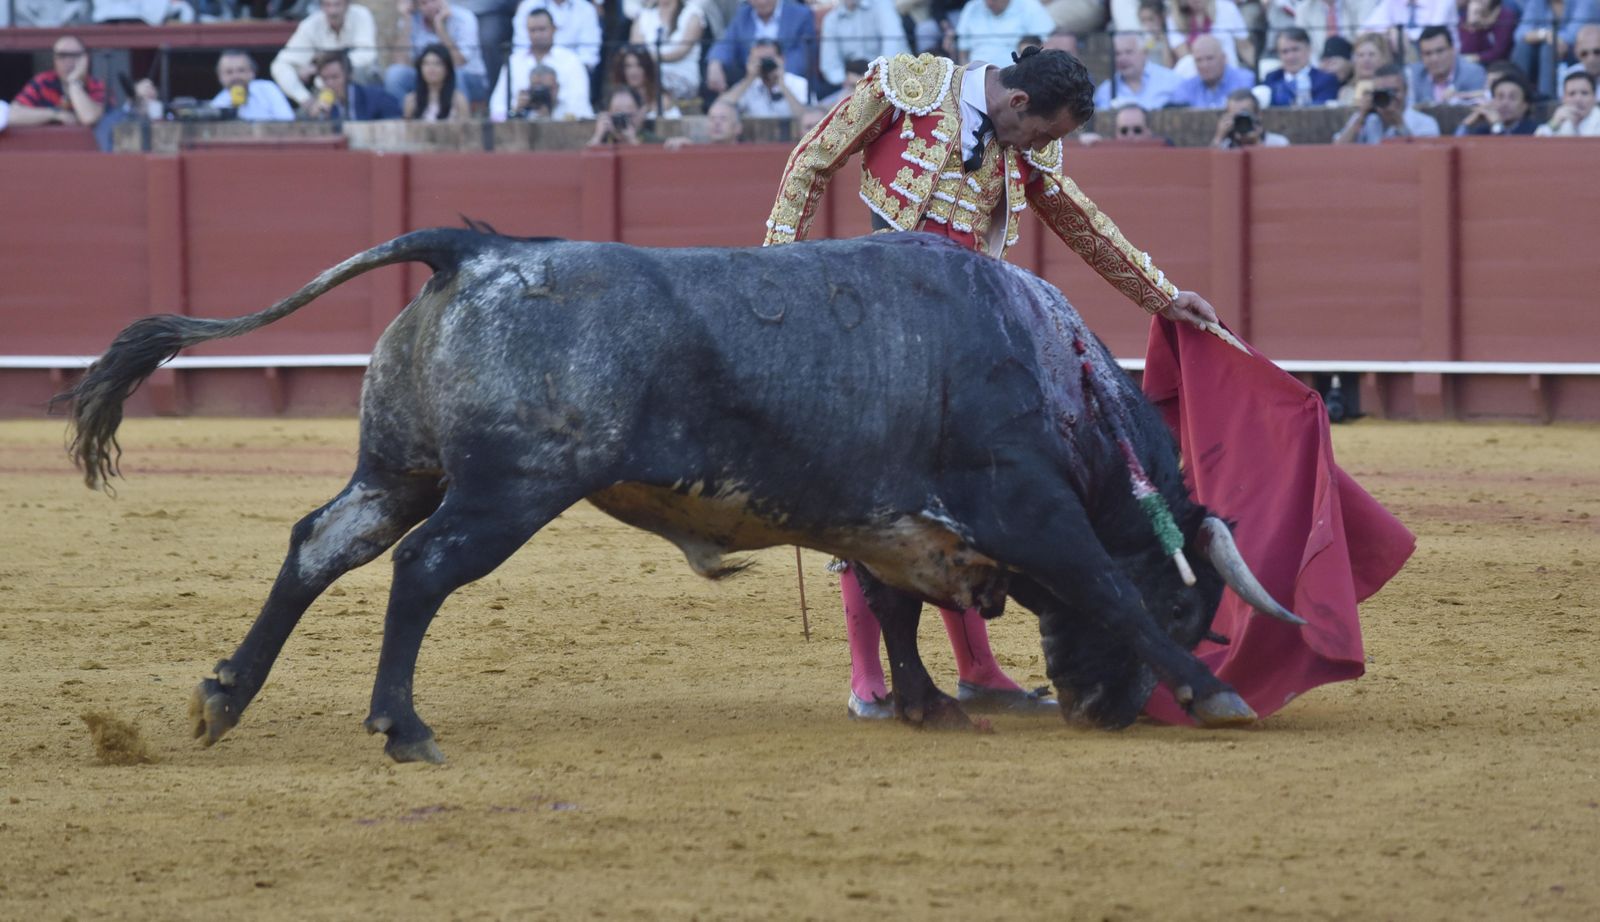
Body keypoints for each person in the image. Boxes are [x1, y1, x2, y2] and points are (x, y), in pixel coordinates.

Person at [762, 48, 1223, 718]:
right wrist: (779, 269)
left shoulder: (1027, 142)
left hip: (966, 340)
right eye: (1040, 133)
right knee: (870, 495)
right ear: (1016, 104)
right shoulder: (908, 86)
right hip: (881, 324)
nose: (1038, 147)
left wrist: (1161, 294)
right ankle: (870, 679)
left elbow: (1080, 221)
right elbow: (811, 160)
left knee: (971, 497)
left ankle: (980, 669)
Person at [270, 0, 380, 109]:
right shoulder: (311, 25)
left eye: (337, 4)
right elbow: (280, 65)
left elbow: (367, 55)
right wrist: (304, 98)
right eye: (327, 5)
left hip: (363, 88)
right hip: (324, 94)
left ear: (347, 5)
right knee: (306, 115)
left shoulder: (361, 15)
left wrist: (320, 66)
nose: (332, 11)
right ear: (321, 6)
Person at [490, 7, 593, 120]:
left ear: (554, 29)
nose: (537, 35)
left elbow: (580, 108)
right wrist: (516, 109)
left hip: (563, 129)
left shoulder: (571, 61)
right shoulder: (514, 62)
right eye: (533, 30)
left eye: (542, 29)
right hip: (521, 130)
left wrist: (553, 105)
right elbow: (496, 109)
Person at [705, 0, 819, 97]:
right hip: (750, 80)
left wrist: (774, 72)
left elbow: (805, 53)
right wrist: (715, 63)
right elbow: (727, 42)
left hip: (788, 80)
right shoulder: (743, 14)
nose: (762, 2)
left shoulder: (800, 13)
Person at [388, 0, 490, 104]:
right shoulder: (410, 19)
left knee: (454, 74)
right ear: (417, 5)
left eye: (434, 1)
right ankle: (400, 118)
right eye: (424, 3)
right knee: (395, 74)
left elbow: (458, 62)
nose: (430, 6)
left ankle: (458, 118)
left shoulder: (464, 18)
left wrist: (439, 26)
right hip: (426, 78)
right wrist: (406, 21)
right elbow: (399, 61)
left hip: (470, 79)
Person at [7, 35, 105, 129]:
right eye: (62, 56)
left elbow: (90, 118)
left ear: (85, 59)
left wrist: (74, 83)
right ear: (54, 60)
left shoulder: (96, 85)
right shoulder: (44, 82)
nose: (69, 62)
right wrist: (55, 114)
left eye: (75, 55)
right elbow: (11, 115)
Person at [1333, 61, 1441, 141]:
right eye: (1382, 92)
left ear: (1406, 91)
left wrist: (1399, 124)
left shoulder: (1424, 123)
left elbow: (1422, 159)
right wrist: (1361, 116)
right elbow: (1338, 152)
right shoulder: (1366, 120)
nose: (1389, 97)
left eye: (1394, 91)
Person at [819, 0, 909, 88]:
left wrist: (874, 77)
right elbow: (830, 66)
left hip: (890, 80)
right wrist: (849, 79)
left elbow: (894, 45)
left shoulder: (882, 4)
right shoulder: (831, 20)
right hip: (853, 86)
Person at [629, 0, 707, 100]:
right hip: (648, 73)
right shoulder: (645, 14)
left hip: (681, 75)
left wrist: (650, 57)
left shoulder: (692, 13)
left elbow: (682, 51)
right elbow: (636, 47)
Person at [718, 39, 812, 120]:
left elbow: (807, 119)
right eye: (759, 60)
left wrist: (782, 85)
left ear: (782, 59)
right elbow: (721, 107)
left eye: (768, 59)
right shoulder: (747, 85)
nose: (764, 64)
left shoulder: (800, 84)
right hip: (756, 138)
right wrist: (749, 78)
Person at [299, 51, 402, 120]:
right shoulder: (320, 107)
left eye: (335, 77)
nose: (330, 84)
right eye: (325, 79)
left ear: (349, 76)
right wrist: (319, 121)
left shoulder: (377, 98)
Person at [1095, 31, 1183, 108]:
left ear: (1145, 53)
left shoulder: (1172, 81)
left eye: (1128, 52)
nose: (1122, 59)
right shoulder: (1106, 91)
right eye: (1117, 54)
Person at [955, 0, 1057, 67]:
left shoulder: (1029, 6)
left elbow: (1047, 42)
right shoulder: (972, 7)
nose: (989, 3)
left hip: (1017, 75)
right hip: (976, 77)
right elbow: (962, 50)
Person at [511, 0, 603, 71]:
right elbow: (520, 49)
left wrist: (566, 70)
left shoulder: (586, 9)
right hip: (530, 73)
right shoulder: (528, 6)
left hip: (573, 75)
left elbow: (589, 56)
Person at [1169, 33, 1256, 107]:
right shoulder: (1186, 88)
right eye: (1199, 60)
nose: (1204, 65)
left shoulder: (1244, 80)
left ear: (1224, 58)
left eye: (1210, 58)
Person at [1410, 25, 1489, 104]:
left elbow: (1478, 108)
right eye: (1428, 53)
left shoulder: (1473, 74)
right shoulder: (1413, 76)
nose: (1434, 59)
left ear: (1453, 49)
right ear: (1421, 56)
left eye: (1440, 51)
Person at [1167, 0, 1255, 70]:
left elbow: (1245, 47)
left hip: (1229, 75)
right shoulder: (1174, 18)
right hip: (1195, 78)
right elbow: (1184, 56)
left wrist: (1257, 69)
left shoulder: (1227, 8)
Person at [1263, 27, 1341, 104]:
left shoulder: (1326, 80)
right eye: (1285, 51)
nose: (1290, 57)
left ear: (1309, 49)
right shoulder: (1272, 79)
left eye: (1295, 49)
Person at [210, 49, 295, 121]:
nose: (235, 76)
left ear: (252, 72)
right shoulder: (217, 104)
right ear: (220, 77)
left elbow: (288, 121)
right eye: (229, 72)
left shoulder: (268, 89)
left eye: (241, 70)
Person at [608, 45, 681, 120]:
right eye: (628, 66)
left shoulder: (661, 100)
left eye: (639, 65)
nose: (633, 72)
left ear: (647, 69)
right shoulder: (616, 97)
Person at [404, 43, 472, 120]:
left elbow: (466, 130)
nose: (431, 68)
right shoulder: (411, 100)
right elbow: (407, 129)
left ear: (447, 69)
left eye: (437, 64)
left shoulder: (458, 100)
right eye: (426, 64)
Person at [1455, 72, 1539, 132]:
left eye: (1512, 98)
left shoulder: (1534, 131)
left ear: (1525, 105)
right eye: (1500, 97)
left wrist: (1497, 126)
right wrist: (1466, 124)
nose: (1505, 103)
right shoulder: (1484, 130)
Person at [1213, 86, 1291, 145]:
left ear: (1258, 114)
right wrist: (1218, 138)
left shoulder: (1278, 143)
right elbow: (1211, 165)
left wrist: (1257, 142)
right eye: (1235, 116)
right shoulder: (1223, 146)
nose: (1241, 120)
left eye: (1245, 114)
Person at [1536, 68, 1600, 132]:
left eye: (1584, 93)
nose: (1578, 99)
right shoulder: (1560, 119)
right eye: (1572, 94)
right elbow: (1537, 140)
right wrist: (1555, 122)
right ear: (1563, 99)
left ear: (1595, 97)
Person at [1459, 0, 1520, 65]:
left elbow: (1499, 52)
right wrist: (1472, 25)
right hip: (1473, 64)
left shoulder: (1506, 17)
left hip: (1498, 64)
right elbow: (1466, 50)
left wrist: (1477, 57)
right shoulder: (1464, 18)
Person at [1338, 31, 1392, 103]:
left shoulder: (1392, 89)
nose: (1366, 60)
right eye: (1361, 55)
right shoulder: (1346, 92)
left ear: (1383, 58)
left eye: (1372, 54)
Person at [588, 86, 652, 144]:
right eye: (617, 112)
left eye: (628, 113)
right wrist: (597, 137)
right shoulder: (603, 140)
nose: (622, 118)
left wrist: (633, 140)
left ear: (639, 113)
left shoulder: (651, 140)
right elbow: (585, 156)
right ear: (608, 114)